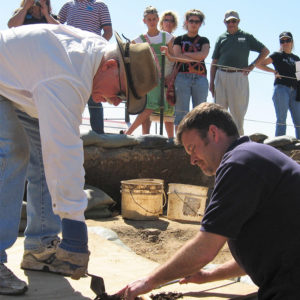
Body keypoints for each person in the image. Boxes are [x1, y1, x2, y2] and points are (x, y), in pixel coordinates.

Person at [0, 23, 157, 295]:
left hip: (23, 85)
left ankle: (39, 248)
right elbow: (65, 153)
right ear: (109, 66)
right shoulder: (68, 74)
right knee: (13, 151)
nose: (117, 103)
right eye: (120, 93)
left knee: (43, 161)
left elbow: (57, 156)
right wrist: (75, 230)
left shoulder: (89, 61)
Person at [119, 102, 300, 299]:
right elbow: (264, 252)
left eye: (192, 148)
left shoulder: (239, 164)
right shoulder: (251, 156)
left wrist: (149, 281)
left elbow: (205, 248)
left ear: (213, 133)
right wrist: (209, 276)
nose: (192, 160)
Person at [5, 0, 62, 285]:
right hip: (11, 92)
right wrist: (26, 7)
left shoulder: (53, 18)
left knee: (44, 167)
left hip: (39, 98)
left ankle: (41, 245)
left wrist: (47, 14)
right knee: (12, 159)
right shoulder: (20, 17)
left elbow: (63, 35)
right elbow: (10, 27)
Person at [210, 10, 269, 135]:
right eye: (228, 21)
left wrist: (252, 66)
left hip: (238, 76)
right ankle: (220, 141)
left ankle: (239, 142)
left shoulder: (246, 37)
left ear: (238, 21)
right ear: (224, 22)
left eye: (234, 21)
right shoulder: (221, 38)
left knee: (238, 112)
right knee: (219, 111)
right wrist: (211, 83)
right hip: (221, 75)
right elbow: (214, 61)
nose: (231, 23)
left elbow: (265, 51)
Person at [58, 0, 113, 135]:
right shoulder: (68, 6)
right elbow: (56, 25)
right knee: (70, 93)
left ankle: (99, 133)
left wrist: (98, 49)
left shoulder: (100, 5)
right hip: (71, 57)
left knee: (95, 94)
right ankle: (69, 131)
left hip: (91, 57)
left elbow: (108, 31)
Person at [124, 6, 175, 138]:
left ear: (158, 19)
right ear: (144, 21)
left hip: (165, 78)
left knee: (166, 110)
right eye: (149, 19)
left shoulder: (167, 37)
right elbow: (129, 52)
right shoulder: (140, 39)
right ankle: (130, 133)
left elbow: (174, 58)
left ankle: (169, 139)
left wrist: (167, 53)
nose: (152, 22)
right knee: (150, 107)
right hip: (151, 79)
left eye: (154, 19)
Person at [171, 9, 210, 132]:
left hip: (200, 78)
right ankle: (179, 141)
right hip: (182, 77)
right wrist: (194, 56)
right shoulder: (178, 39)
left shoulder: (204, 40)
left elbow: (203, 55)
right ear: (186, 22)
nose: (193, 24)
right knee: (181, 112)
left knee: (200, 113)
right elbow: (177, 57)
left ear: (200, 23)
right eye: (191, 21)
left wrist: (185, 54)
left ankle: (199, 142)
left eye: (197, 21)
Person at [257, 31, 300, 139]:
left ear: (292, 42)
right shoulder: (277, 55)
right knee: (281, 119)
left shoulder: (296, 58)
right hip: (281, 89)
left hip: (295, 91)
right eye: (282, 41)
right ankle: (279, 145)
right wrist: (273, 71)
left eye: (287, 40)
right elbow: (259, 64)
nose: (285, 43)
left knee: (298, 120)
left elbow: (299, 77)